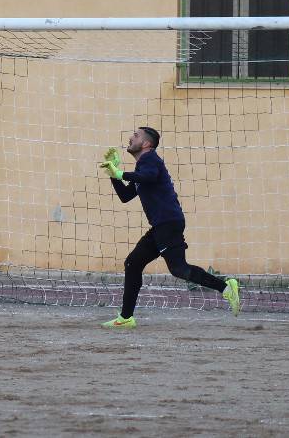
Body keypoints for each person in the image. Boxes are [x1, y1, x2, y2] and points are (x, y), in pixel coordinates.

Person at [98, 127, 240, 328]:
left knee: (178, 269)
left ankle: (226, 287)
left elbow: (148, 176)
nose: (131, 137)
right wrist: (112, 172)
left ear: (147, 144)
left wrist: (120, 172)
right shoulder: (142, 168)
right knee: (133, 263)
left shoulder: (150, 160)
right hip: (161, 225)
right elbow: (126, 196)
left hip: (168, 222)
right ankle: (126, 318)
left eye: (136, 135)